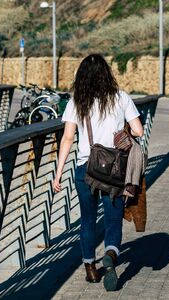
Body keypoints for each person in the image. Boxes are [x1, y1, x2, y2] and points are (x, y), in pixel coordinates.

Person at [53, 54, 144, 291]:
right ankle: (111, 256)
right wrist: (119, 134)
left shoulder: (77, 102)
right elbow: (138, 130)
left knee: (87, 221)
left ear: (82, 77)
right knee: (113, 221)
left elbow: (68, 138)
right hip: (114, 169)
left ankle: (91, 269)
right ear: (107, 74)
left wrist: (58, 172)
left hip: (86, 169)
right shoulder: (121, 98)